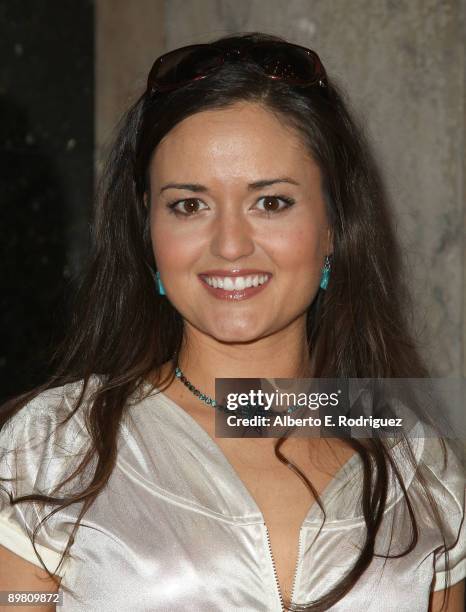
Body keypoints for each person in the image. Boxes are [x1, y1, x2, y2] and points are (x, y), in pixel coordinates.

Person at [0, 31, 464, 612]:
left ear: (333, 226)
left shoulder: (420, 463)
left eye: (271, 202)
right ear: (148, 233)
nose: (230, 245)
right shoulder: (51, 452)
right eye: (188, 205)